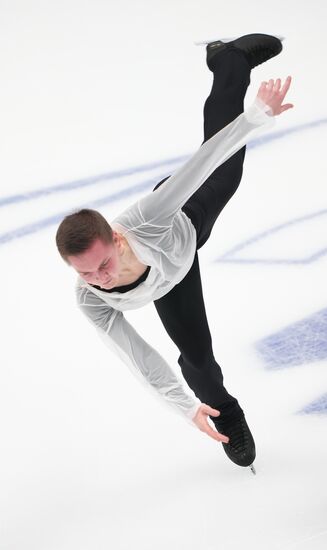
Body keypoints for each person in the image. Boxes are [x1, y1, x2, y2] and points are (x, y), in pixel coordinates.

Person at [55, 34, 293, 470]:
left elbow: (204, 160)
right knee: (197, 361)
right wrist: (186, 408)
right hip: (173, 280)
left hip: (184, 221)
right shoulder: (92, 298)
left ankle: (230, 59)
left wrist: (256, 118)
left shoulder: (148, 217)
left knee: (226, 171)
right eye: (87, 274)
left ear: (118, 240)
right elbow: (139, 357)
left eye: (104, 265)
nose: (101, 279)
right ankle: (228, 413)